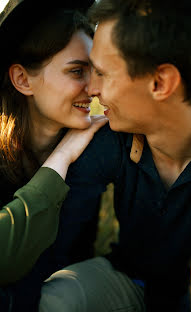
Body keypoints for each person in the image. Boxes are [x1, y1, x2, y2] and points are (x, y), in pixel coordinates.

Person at [39, 0, 191, 311]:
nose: (90, 88)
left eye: (102, 73)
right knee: (58, 297)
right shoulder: (112, 138)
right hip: (130, 280)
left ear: (160, 83)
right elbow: (60, 244)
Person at [0, 0, 108, 310]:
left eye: (97, 72)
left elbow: (75, 264)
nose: (96, 87)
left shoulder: (92, 156)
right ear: (23, 79)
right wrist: (61, 157)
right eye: (78, 71)